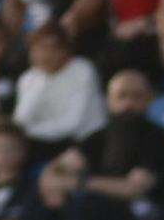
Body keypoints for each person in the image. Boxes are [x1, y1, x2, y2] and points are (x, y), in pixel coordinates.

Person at [11, 67, 164, 220]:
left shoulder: (158, 139)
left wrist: (78, 183)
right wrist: (51, 184)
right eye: (121, 96)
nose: (128, 104)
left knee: (91, 203)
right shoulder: (99, 138)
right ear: (109, 101)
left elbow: (132, 189)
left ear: (148, 100)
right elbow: (58, 167)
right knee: (39, 195)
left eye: (136, 97)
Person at [13, 21, 107, 163]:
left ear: (66, 50)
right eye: (39, 48)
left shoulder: (82, 70)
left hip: (85, 141)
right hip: (43, 141)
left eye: (53, 47)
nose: (46, 54)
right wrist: (42, 80)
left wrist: (29, 132)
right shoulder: (28, 78)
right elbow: (21, 120)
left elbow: (72, 123)